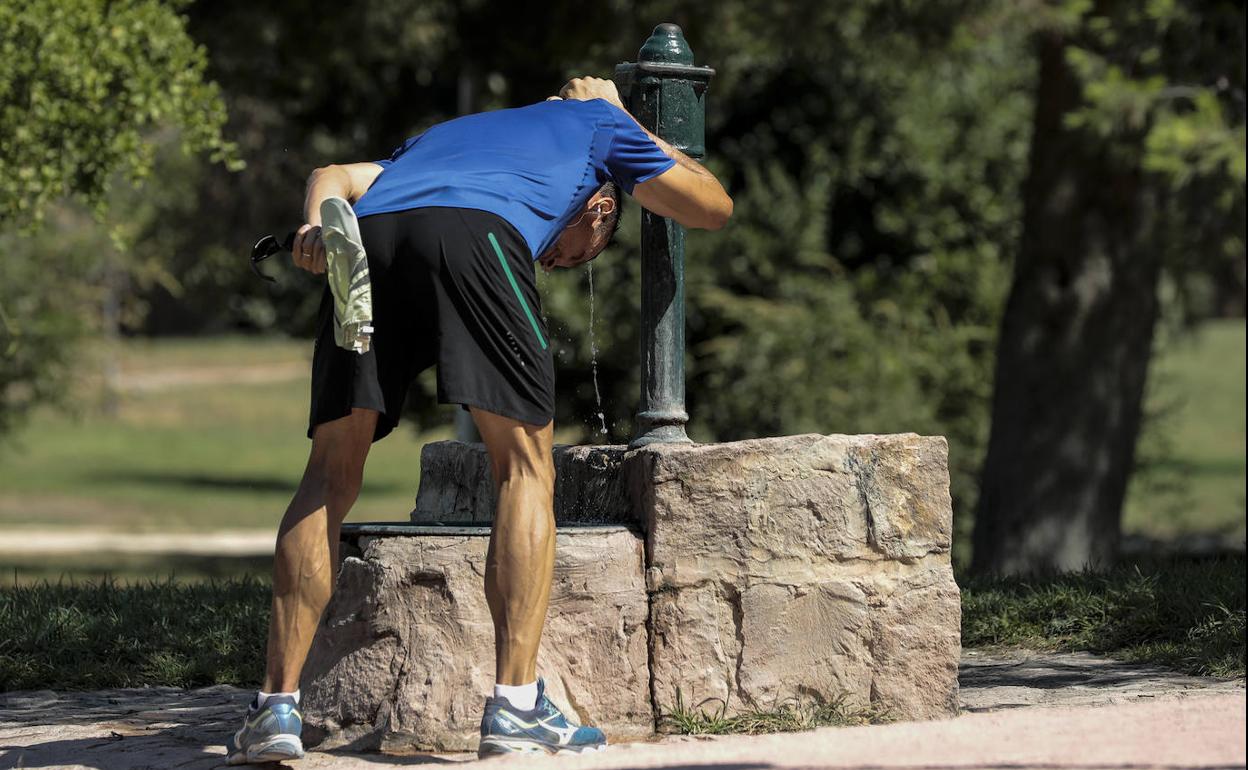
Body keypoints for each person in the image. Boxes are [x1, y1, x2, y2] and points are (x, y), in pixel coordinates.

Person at [225, 75, 732, 764]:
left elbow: (334, 174)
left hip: (372, 236)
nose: (556, 261)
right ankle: (517, 706)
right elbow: (711, 206)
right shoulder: (600, 129)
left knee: (329, 473)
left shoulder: (444, 136)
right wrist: (618, 116)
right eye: (574, 252)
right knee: (524, 470)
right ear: (602, 209)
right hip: (478, 236)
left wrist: (318, 221)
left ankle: (274, 709)